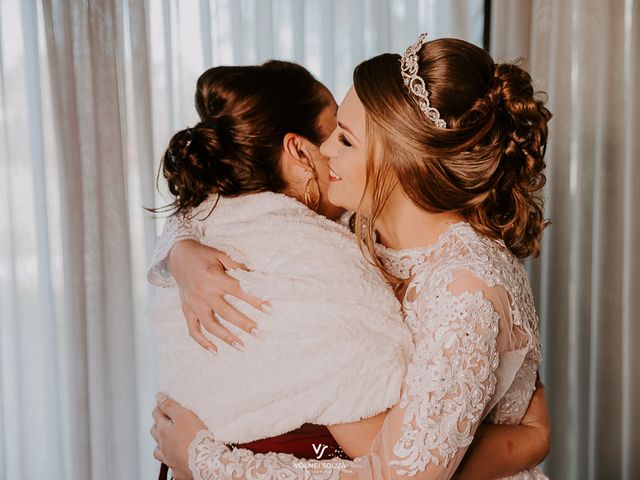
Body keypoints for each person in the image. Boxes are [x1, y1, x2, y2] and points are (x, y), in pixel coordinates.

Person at [150, 38, 552, 479]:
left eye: (344, 138)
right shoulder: (361, 233)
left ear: (399, 159)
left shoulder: (465, 288)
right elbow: (206, 206)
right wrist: (183, 253)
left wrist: (204, 460)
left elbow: (397, 475)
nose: (322, 152)